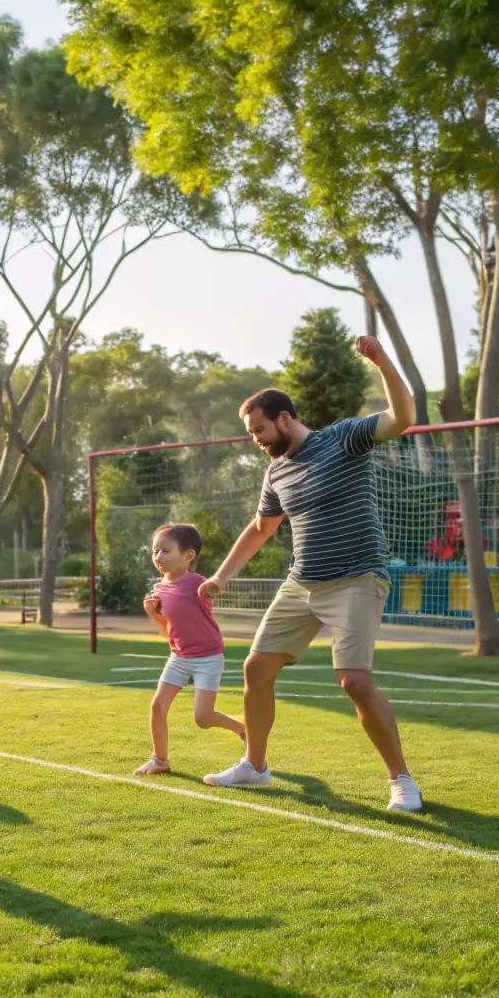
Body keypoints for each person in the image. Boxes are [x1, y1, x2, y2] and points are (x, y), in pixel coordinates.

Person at [198, 335, 423, 812]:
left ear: (285, 418)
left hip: (358, 577)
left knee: (354, 681)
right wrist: (221, 575)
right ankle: (255, 767)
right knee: (256, 669)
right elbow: (261, 529)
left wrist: (381, 361)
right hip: (302, 583)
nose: (255, 440)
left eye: (259, 429)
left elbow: (404, 418)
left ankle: (402, 780)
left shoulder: (343, 437)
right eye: (251, 433)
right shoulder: (276, 472)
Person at [134, 524, 246, 776]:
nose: (158, 557)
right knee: (157, 707)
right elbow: (168, 632)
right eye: (155, 552)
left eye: (165, 551)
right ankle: (160, 759)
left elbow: (208, 594)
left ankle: (242, 728)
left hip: (208, 657)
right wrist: (153, 613)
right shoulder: (160, 588)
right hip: (179, 657)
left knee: (203, 719)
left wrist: (212, 587)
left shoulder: (197, 583)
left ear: (189, 556)